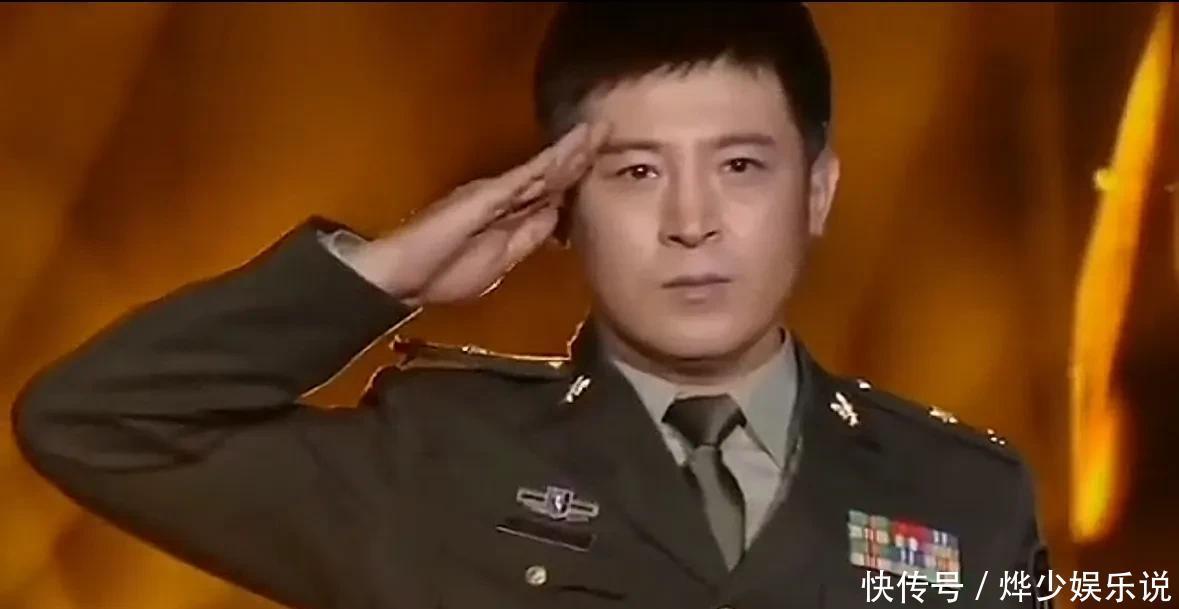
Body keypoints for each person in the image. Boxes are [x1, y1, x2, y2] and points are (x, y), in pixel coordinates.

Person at [11, 4, 1052, 608]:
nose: (692, 222)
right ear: (559, 205)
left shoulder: (966, 494)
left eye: (740, 166)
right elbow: (98, 424)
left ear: (816, 191)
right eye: (636, 173)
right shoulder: (441, 461)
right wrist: (384, 274)